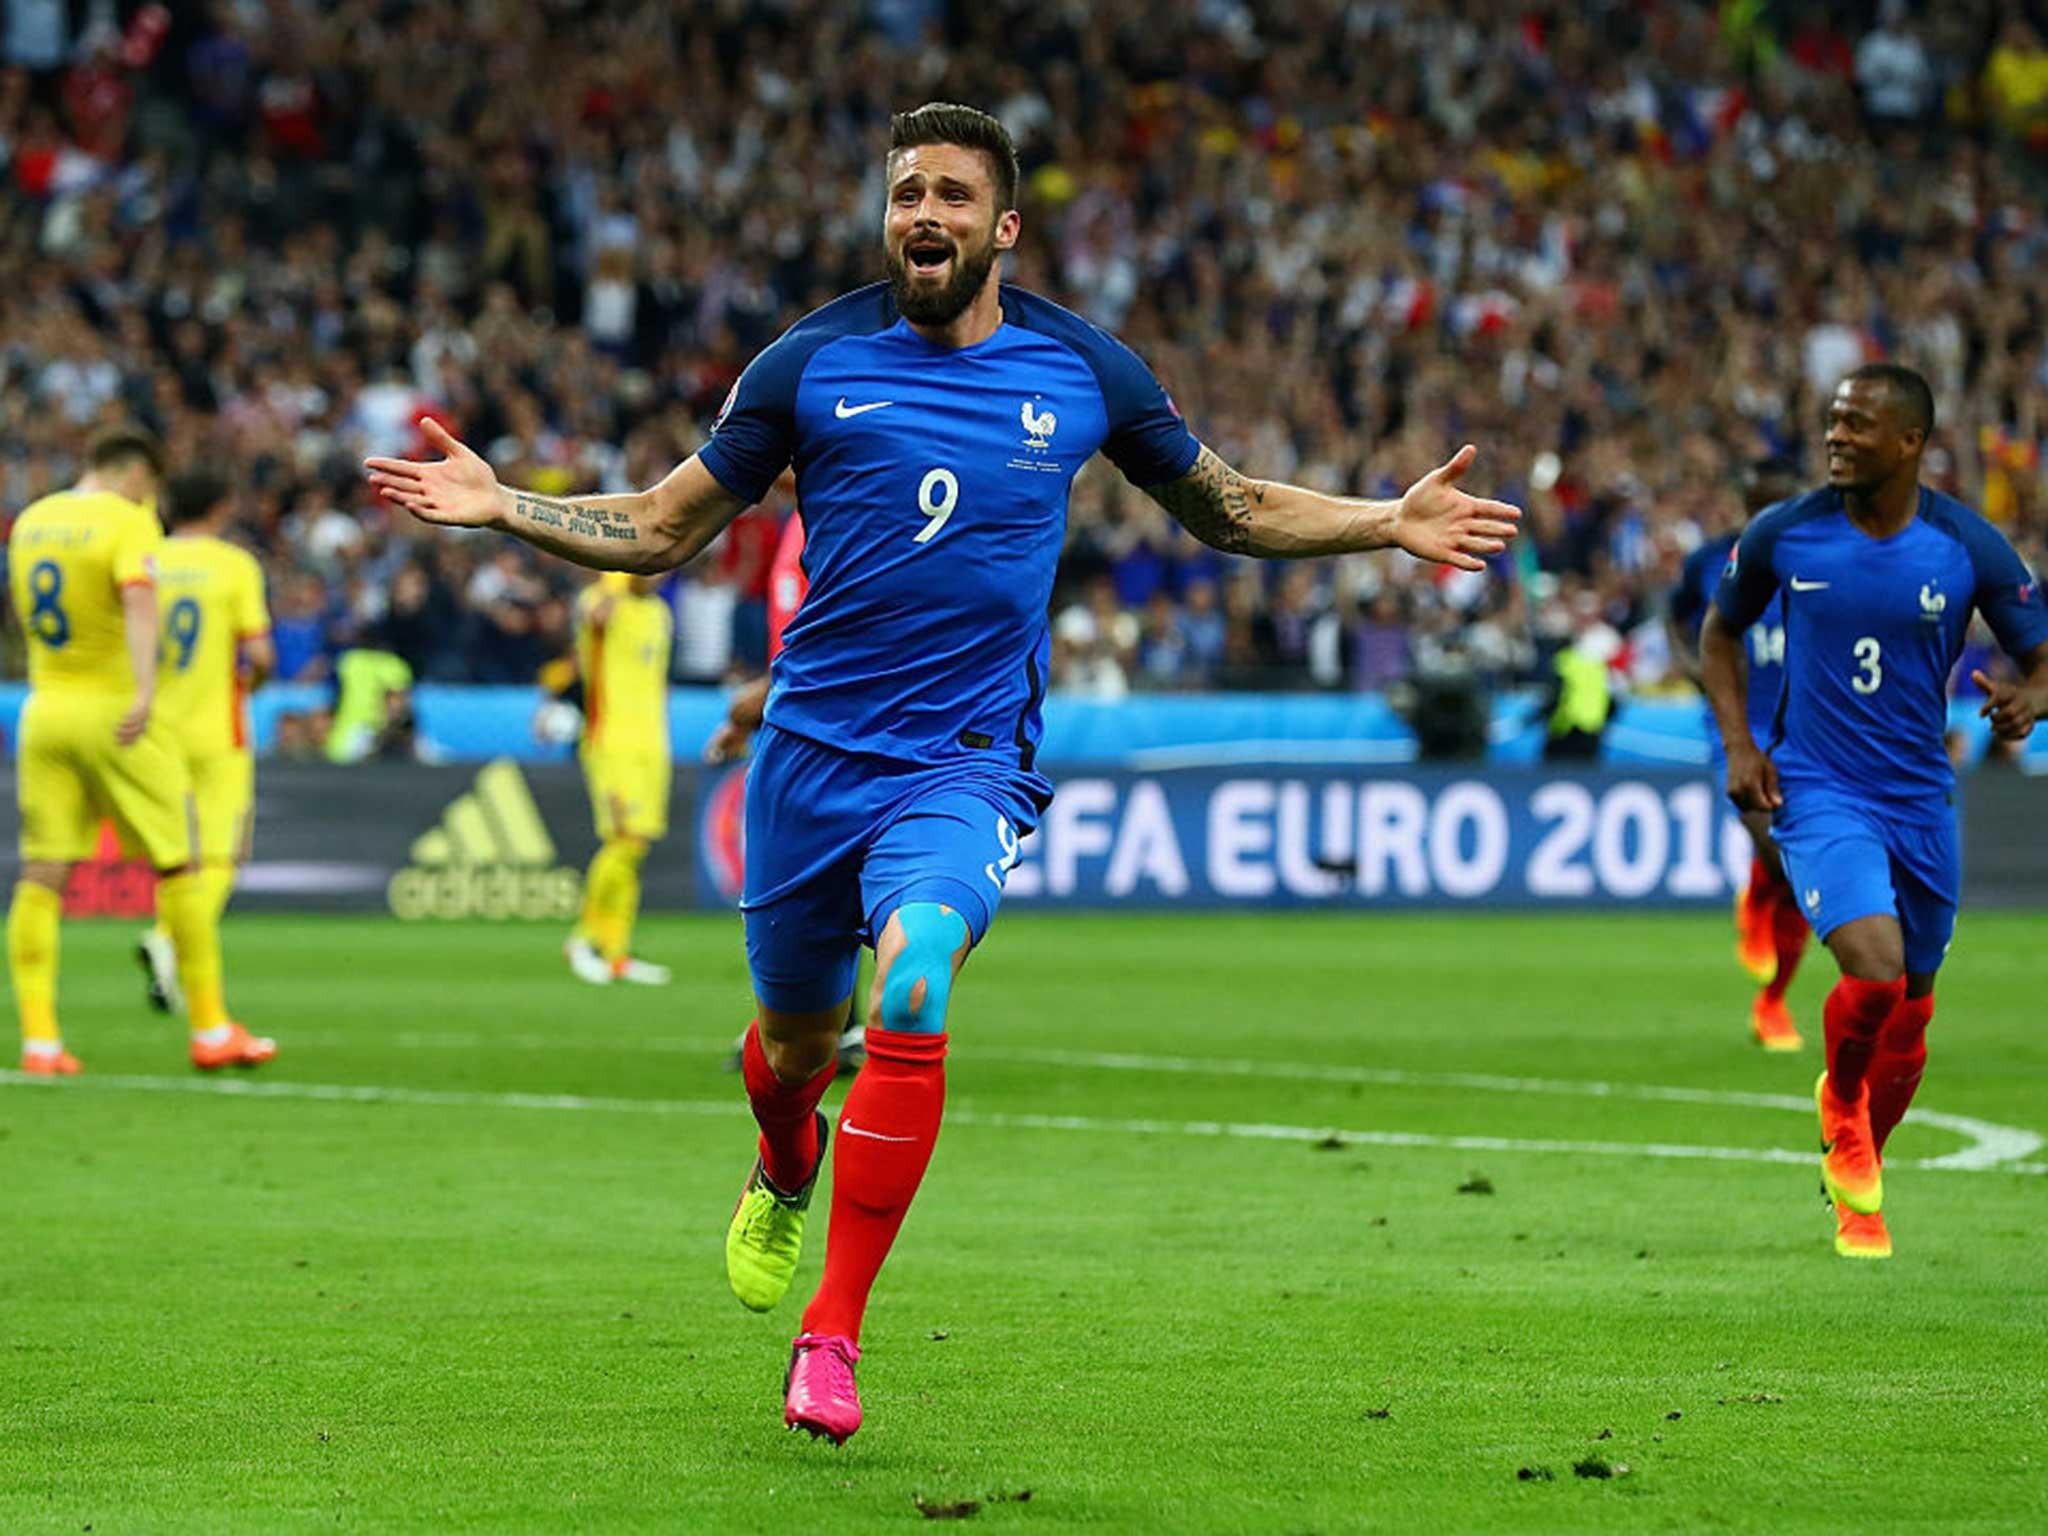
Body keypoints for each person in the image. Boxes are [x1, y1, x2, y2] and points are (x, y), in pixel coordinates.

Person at [365, 102, 1519, 1443]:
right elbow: (664, 526)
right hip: (810, 764)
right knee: (798, 1049)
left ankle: (832, 1336)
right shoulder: (808, 364)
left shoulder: (1086, 371)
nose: (926, 213)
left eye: (955, 196)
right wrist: (509, 505)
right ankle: (783, 1154)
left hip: (963, 767)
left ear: (1003, 227)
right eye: (908, 191)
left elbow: (1234, 507)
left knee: (910, 985)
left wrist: (1385, 519)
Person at [1703, 364, 2048, 1262]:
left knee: (1914, 1008)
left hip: (1919, 797)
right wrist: (1742, 746)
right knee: (1876, 969)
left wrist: (2031, 699)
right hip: (1819, 788)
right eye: (1833, 421)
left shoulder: (1968, 548)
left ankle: (1863, 1158)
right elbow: (1719, 631)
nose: (1836, 437)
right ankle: (1842, 1107)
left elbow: (2041, 656)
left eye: (1858, 425)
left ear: (1910, 442)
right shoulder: (1787, 531)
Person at [7, 428, 275, 1075]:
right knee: (181, 867)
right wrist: (143, 690)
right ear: (136, 476)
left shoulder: (32, 521)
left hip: (43, 709)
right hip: (119, 715)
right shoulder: (127, 521)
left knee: (43, 874)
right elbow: (137, 598)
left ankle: (40, 1040)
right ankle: (211, 1028)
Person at [705, 502, 869, 1077]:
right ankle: (833, 1025)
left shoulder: (839, 519)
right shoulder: (799, 523)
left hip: (837, 731)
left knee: (808, 881)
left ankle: (809, 1027)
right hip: (803, 725)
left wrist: (752, 706)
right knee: (826, 881)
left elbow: (836, 642)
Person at [1668, 457, 1808, 1050]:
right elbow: (1676, 618)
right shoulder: (1711, 562)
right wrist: (1696, 671)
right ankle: (1759, 883)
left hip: (1804, 731)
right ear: (1746, 503)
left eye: (1782, 504)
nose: (1770, 515)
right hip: (1737, 727)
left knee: (1801, 870)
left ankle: (1772, 1003)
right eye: (1761, 503)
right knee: (1779, 854)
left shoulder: (1819, 564)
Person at [135, 467, 276, 1021]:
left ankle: (168, 940)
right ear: (220, 508)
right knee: (221, 854)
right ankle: (170, 939)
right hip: (218, 730)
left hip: (151, 728)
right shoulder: (234, 565)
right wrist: (248, 687)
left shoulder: (146, 558)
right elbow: (261, 656)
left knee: (175, 855)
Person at [564, 571, 675, 987]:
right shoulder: (599, 600)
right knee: (623, 840)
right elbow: (592, 620)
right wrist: (618, 575)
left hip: (652, 744)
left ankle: (616, 952)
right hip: (611, 741)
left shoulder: (661, 612)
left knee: (636, 846)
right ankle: (584, 940)